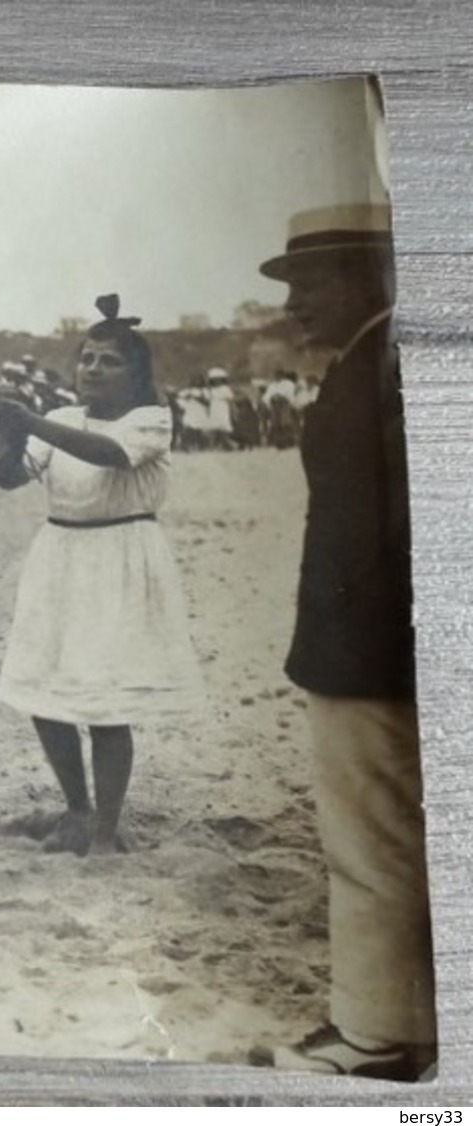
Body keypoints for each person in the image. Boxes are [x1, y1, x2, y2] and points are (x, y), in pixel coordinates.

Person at [247, 204, 434, 1080]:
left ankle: (377, 1036)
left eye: (308, 282)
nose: (294, 306)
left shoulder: (387, 362)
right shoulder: (380, 354)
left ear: (368, 273)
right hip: (375, 641)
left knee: (370, 841)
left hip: (370, 649)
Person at [0, 295, 205, 857]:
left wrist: (31, 419)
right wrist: (8, 437)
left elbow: (107, 454)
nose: (93, 369)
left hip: (119, 563)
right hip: (59, 558)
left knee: (106, 703)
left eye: (109, 361)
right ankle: (78, 812)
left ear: (136, 374)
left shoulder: (150, 420)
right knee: (45, 692)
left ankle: (108, 831)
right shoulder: (60, 420)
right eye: (87, 358)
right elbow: (12, 479)